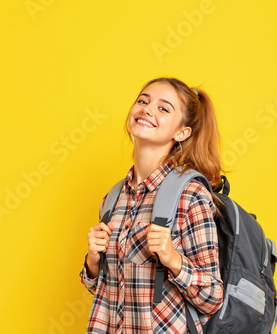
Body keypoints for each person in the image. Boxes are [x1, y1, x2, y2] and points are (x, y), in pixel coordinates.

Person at [80, 77, 224, 333]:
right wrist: (93, 261)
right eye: (143, 101)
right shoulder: (113, 198)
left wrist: (172, 259)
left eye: (163, 108)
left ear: (182, 132)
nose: (147, 109)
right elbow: (107, 290)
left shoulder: (190, 195)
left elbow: (213, 297)